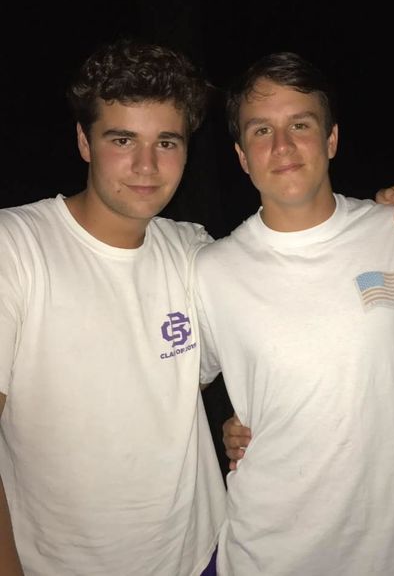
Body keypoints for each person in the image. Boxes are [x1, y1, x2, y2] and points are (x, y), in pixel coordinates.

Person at [192, 51, 394, 576]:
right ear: (242, 156)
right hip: (265, 553)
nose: (282, 146)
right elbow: (168, 391)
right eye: (261, 130)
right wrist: (224, 428)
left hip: (391, 552)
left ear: (331, 139)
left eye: (300, 125)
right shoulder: (211, 270)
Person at [0, 38, 226, 576]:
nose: (146, 165)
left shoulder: (195, 250)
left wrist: (393, 209)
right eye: (122, 139)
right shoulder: (16, 248)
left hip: (205, 554)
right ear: (84, 141)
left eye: (166, 142)